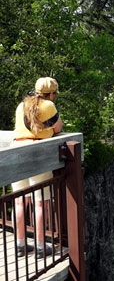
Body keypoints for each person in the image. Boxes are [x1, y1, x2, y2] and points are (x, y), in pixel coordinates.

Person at [11, 77, 62, 257]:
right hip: (37, 153)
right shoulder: (48, 106)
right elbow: (58, 128)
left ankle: (20, 245)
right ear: (51, 93)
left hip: (17, 153)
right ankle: (41, 246)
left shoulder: (21, 106)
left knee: (19, 201)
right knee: (41, 202)